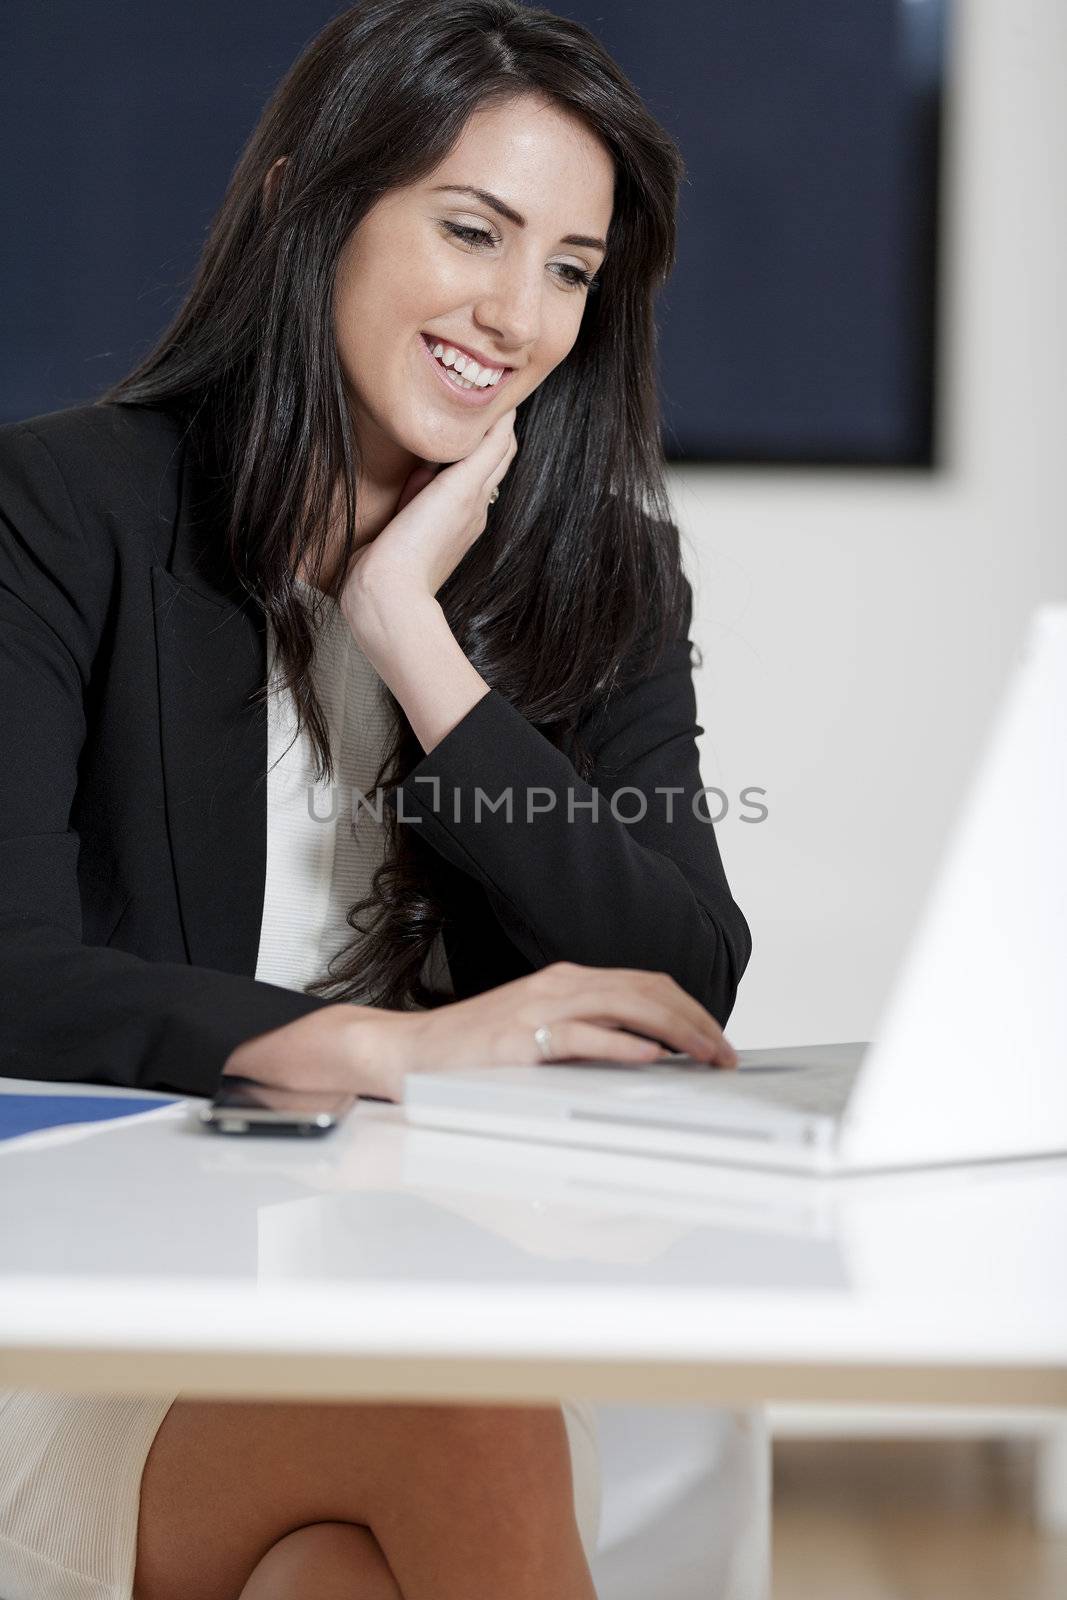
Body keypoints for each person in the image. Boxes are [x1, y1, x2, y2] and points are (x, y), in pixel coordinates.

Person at [0, 2, 756, 1596]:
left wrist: (415, 640)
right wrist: (383, 1053)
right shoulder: (64, 511)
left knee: (338, 1573)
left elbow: (682, 979)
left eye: (568, 268)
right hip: (105, 1311)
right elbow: (10, 972)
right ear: (307, 200)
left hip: (444, 1281)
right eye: (472, 230)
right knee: (457, 1422)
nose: (516, 312)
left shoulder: (603, 577)